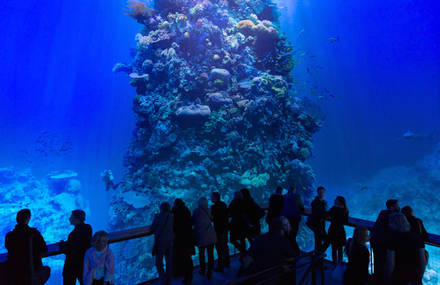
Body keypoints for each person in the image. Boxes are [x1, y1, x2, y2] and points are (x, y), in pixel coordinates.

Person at [5, 208, 50, 285]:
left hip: (15, 273)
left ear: (17, 219)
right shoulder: (34, 234)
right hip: (32, 272)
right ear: (28, 219)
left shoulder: (9, 236)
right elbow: (44, 249)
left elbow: (8, 248)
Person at [384, 212, 427, 285]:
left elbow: (390, 263)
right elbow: (422, 262)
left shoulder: (393, 240)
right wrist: (419, 278)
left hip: (398, 276)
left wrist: (388, 279)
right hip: (413, 275)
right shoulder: (417, 237)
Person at [60, 209, 93, 285]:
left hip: (72, 266)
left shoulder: (73, 234)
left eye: (71, 217)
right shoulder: (88, 228)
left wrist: (62, 245)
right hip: (84, 263)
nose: (69, 219)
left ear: (76, 219)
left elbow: (71, 250)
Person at [370, 199, 400, 283]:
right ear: (392, 207)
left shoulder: (383, 213)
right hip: (384, 245)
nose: (399, 207)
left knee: (378, 265)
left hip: (375, 242)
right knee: (385, 266)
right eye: (397, 205)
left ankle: (376, 280)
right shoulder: (394, 215)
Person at [193, 197, 217, 279]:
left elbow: (193, 221)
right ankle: (209, 271)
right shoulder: (210, 209)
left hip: (201, 235)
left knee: (201, 254)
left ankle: (203, 270)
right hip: (210, 234)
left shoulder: (196, 211)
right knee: (210, 254)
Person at [172, 199, 195, 284]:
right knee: (188, 258)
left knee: (182, 258)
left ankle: (185, 275)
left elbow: (174, 225)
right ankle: (189, 275)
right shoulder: (186, 210)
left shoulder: (175, 212)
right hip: (188, 238)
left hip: (180, 239)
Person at [151, 202, 174, 285]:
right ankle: (169, 280)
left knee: (159, 262)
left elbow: (152, 228)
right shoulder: (172, 216)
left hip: (161, 242)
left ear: (161, 208)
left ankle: (163, 279)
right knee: (169, 261)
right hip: (170, 241)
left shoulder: (158, 216)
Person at [211, 192, 230, 272]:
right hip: (225, 228)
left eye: (212, 197)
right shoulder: (224, 204)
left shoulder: (213, 207)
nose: (211, 198)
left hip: (218, 229)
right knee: (225, 246)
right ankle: (227, 263)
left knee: (219, 248)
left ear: (215, 198)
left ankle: (220, 266)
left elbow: (212, 217)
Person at [281, 185, 304, 254]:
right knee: (293, 235)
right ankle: (296, 252)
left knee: (286, 235)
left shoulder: (284, 196)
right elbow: (301, 207)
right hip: (295, 218)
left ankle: (287, 251)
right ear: (294, 190)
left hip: (286, 218)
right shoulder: (297, 196)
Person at [307, 186, 329, 252]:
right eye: (320, 192)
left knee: (319, 241)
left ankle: (318, 254)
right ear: (318, 192)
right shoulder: (315, 202)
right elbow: (320, 213)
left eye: (323, 192)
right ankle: (318, 254)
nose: (322, 193)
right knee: (322, 241)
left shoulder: (323, 202)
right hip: (317, 225)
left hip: (321, 225)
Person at [328, 196, 348, 263]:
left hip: (333, 230)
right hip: (340, 231)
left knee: (334, 249)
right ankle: (339, 264)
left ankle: (334, 264)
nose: (334, 200)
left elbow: (327, 214)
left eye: (336, 199)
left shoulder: (334, 209)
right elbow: (345, 221)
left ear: (339, 201)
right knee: (340, 249)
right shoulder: (346, 210)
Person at [228, 191, 248, 259]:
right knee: (242, 239)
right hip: (243, 223)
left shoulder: (233, 202)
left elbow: (229, 210)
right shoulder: (244, 201)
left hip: (235, 223)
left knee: (232, 239)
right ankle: (244, 251)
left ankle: (242, 250)